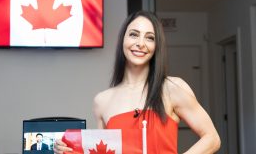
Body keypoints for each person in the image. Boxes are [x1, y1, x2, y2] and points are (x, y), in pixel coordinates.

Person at [54, 11, 221, 153]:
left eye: (149, 38)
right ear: (123, 40)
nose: (140, 44)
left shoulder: (172, 88)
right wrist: (65, 148)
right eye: (134, 34)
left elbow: (212, 138)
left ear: (157, 46)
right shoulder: (102, 101)